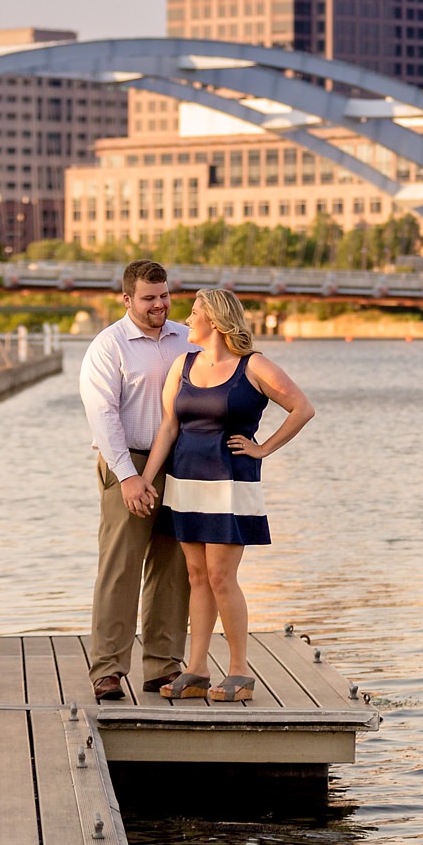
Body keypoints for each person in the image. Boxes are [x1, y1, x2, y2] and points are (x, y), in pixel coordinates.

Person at [144, 288, 317, 702]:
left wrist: (262, 448)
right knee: (197, 577)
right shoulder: (182, 366)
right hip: (186, 481)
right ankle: (197, 668)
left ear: (215, 321)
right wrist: (148, 479)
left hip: (230, 482)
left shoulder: (253, 365)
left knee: (222, 577)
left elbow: (302, 408)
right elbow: (169, 427)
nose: (186, 318)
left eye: (194, 312)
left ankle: (239, 671)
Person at [77, 259, 197, 700]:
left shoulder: (188, 338)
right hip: (126, 466)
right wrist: (128, 477)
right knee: (120, 569)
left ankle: (163, 668)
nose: (159, 305)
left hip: (182, 466)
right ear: (127, 299)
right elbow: (102, 415)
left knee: (174, 569)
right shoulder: (108, 346)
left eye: (164, 296)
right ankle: (108, 670)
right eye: (148, 298)